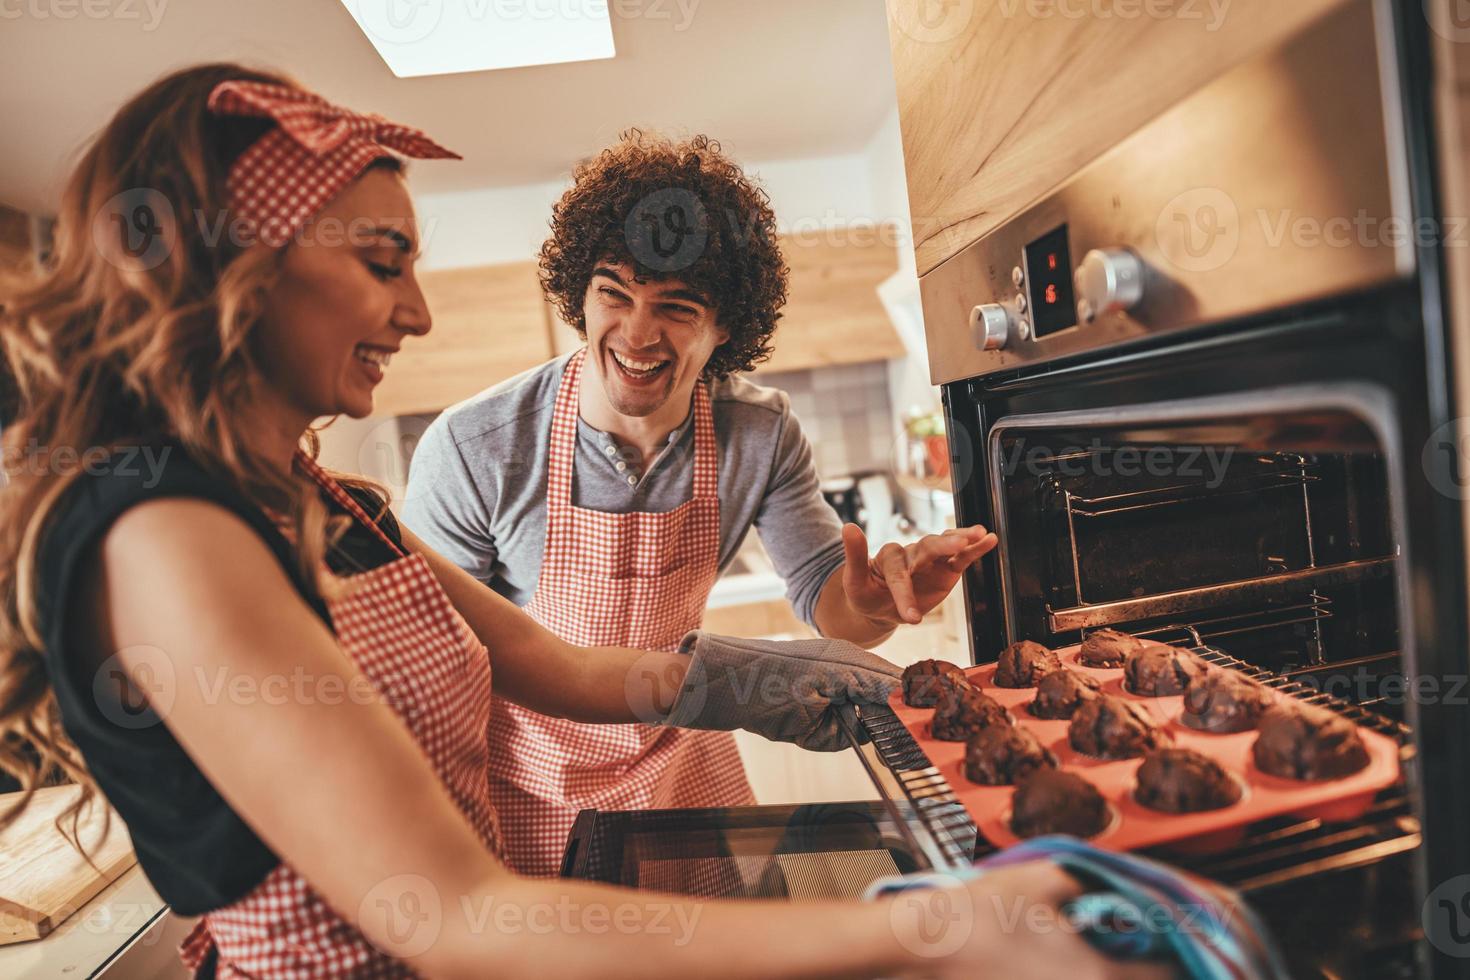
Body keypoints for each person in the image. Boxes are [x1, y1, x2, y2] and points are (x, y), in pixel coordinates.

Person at [0, 64, 1163, 980]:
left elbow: (562, 666)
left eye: (680, 308)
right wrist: (934, 928)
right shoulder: (168, 531)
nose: (415, 310)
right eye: (384, 260)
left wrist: (816, 678)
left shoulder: (328, 501)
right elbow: (462, 912)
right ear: (237, 269)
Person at [403, 131, 999, 878]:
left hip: (678, 759)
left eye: (676, 306)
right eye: (613, 293)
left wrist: (873, 603)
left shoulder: (759, 432)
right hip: (530, 788)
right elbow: (435, 665)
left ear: (726, 330)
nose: (637, 331)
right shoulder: (475, 446)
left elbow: (827, 601)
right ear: (577, 297)